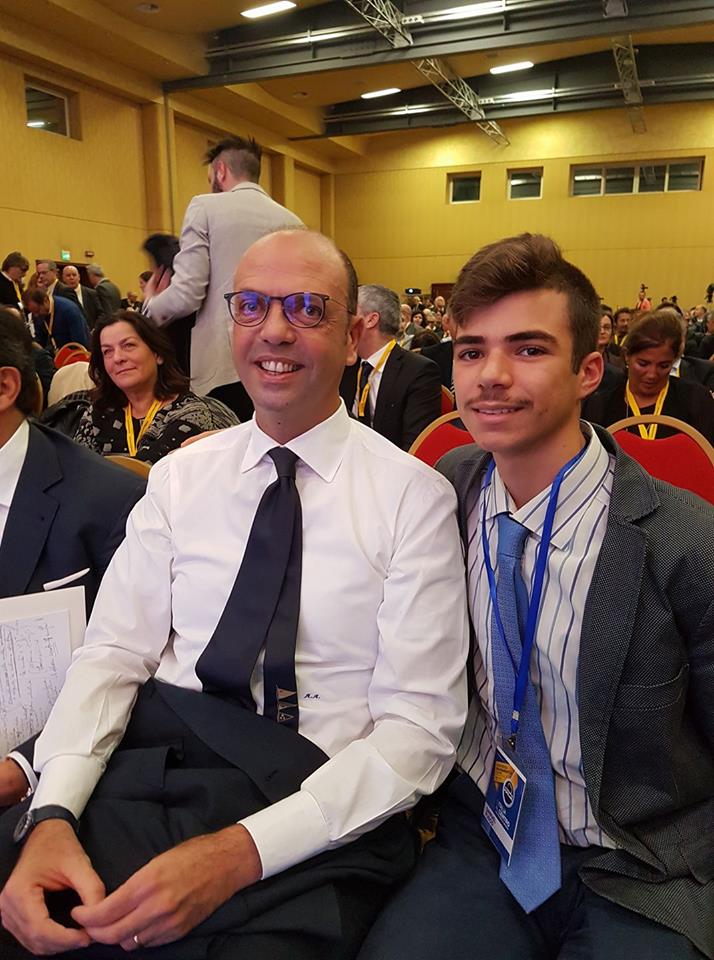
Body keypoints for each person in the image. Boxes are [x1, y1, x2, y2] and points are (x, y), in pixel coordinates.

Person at [0, 229, 468, 960]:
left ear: (353, 337)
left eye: (307, 308)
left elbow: (418, 731)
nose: (274, 330)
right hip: (159, 763)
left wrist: (238, 854)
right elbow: (114, 654)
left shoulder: (413, 499)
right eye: (251, 306)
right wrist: (53, 812)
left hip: (317, 804)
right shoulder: (181, 480)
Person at [359, 233, 714, 960]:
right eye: (471, 351)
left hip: (641, 860)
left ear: (589, 371)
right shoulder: (444, 490)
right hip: (482, 836)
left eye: (527, 349)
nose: (491, 376)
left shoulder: (684, 541)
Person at [143, 136, 303, 398]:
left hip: (223, 363)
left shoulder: (205, 206)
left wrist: (151, 305)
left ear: (220, 171)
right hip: (278, 359)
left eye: (210, 178)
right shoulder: (294, 221)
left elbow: (187, 294)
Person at [67, 311, 238, 464]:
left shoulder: (194, 414)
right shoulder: (97, 414)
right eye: (107, 351)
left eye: (128, 345)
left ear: (158, 354)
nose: (117, 358)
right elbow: (79, 473)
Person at [584, 309, 714, 443]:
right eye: (643, 364)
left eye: (664, 366)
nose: (652, 374)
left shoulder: (695, 400)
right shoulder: (599, 406)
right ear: (627, 355)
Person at [340, 284, 441, 451]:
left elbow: (415, 447)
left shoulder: (418, 372)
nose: (344, 320)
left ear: (371, 320)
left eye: (350, 312)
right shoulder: (346, 365)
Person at [24, 289, 90, 352]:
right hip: (57, 353)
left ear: (45, 301)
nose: (36, 315)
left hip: (76, 353)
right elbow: (40, 340)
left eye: (37, 311)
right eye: (33, 313)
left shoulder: (69, 310)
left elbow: (79, 343)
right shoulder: (38, 315)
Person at [61, 265, 104, 329]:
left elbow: (101, 314)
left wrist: (95, 329)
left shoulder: (92, 293)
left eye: (74, 275)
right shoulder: (61, 295)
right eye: (68, 275)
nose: (71, 278)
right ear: (63, 278)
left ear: (79, 277)